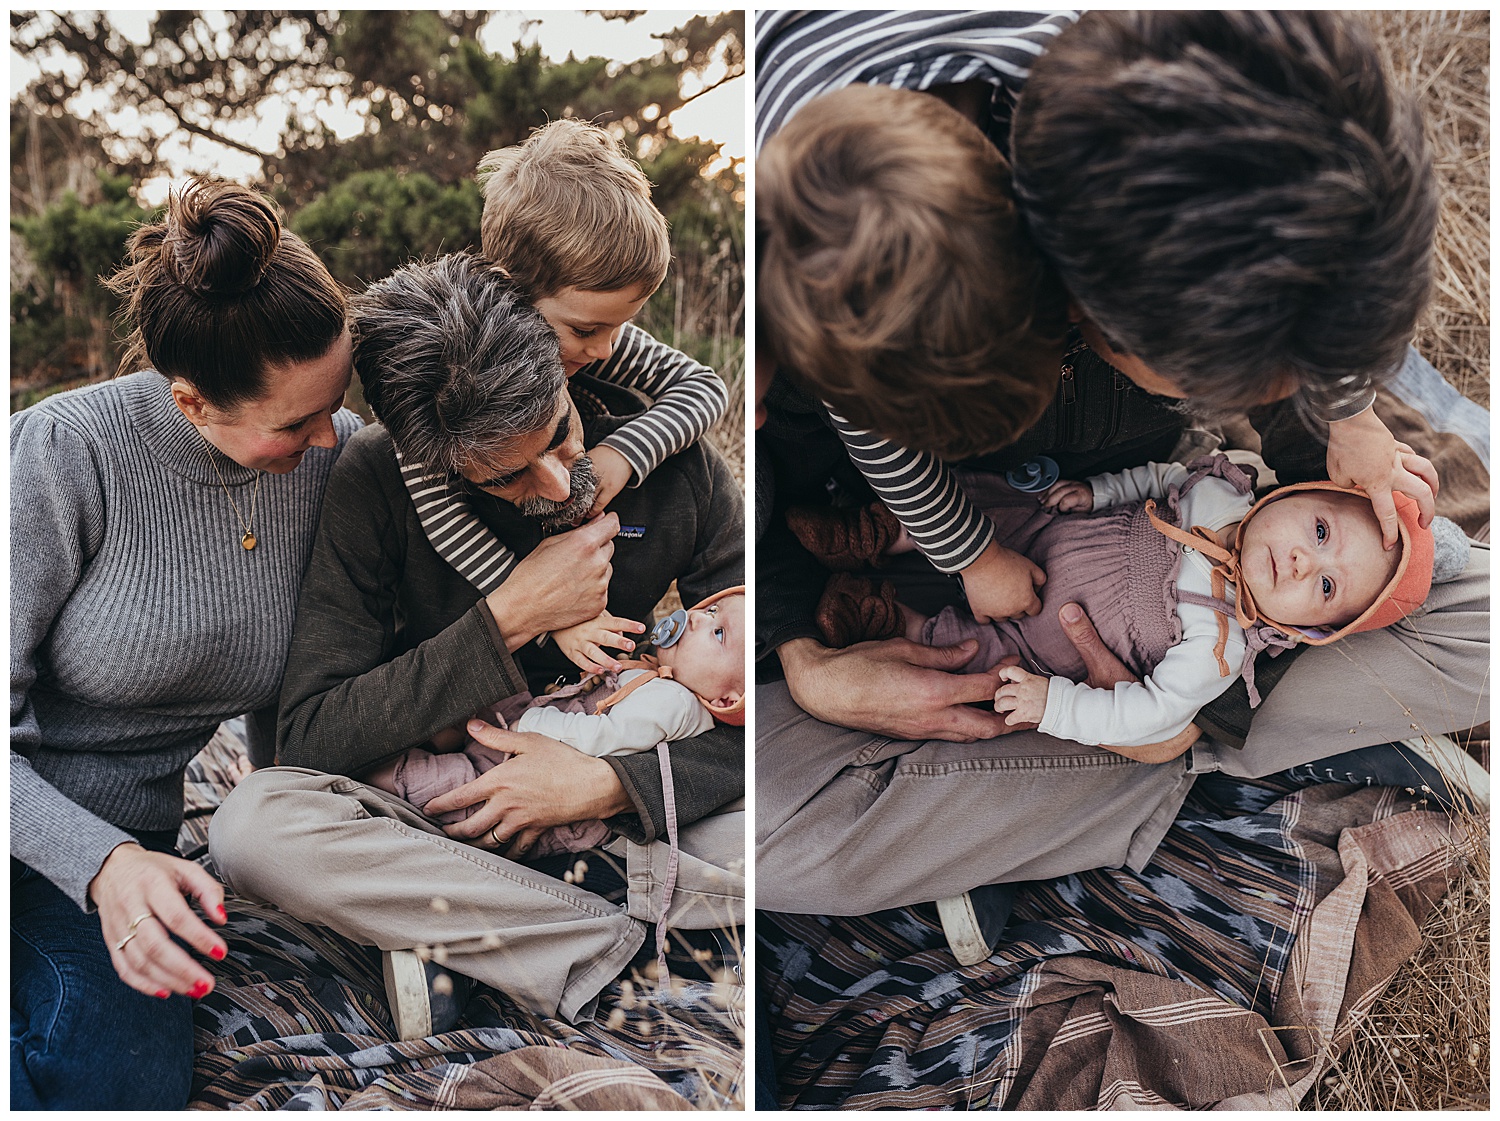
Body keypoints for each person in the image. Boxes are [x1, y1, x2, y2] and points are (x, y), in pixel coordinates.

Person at [752, 10, 1487, 925]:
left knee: (1478, 611)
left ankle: (1187, 741)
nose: (1288, 386)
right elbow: (770, 472)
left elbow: (1312, 278)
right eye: (1258, 374)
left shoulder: (1196, 100)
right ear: (1077, 311)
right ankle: (1186, 755)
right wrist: (807, 657)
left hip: (1170, 606)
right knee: (775, 842)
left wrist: (1350, 413)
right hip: (930, 552)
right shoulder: (843, 256)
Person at [208, 253, 745, 1040]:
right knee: (250, 827)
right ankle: (604, 942)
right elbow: (310, 736)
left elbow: (763, 688)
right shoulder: (375, 481)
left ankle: (481, 931)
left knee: (780, 815)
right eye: (507, 479)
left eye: (561, 436)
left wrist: (607, 784)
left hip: (623, 811)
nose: (561, 487)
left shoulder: (674, 460)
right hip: (437, 812)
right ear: (434, 467)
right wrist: (508, 619)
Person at [11, 178, 360, 1109]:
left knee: (117, 1078)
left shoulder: (332, 459)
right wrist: (104, 864)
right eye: (296, 423)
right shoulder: (63, 454)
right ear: (192, 402)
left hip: (136, 845)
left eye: (339, 400)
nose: (331, 437)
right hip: (42, 825)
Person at [804, 462, 1462, 752]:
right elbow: (1160, 476)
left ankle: (891, 618)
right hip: (1050, 534)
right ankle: (874, 533)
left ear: (1306, 628)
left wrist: (1054, 705)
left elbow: (1152, 715)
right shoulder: (1223, 491)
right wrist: (1098, 491)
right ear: (1300, 491)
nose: (1301, 562)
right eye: (1319, 533)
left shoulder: (1220, 645)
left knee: (980, 657)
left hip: (1046, 640)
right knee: (989, 504)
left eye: (1324, 586)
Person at [397, 118, 729, 656]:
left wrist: (622, 453)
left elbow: (703, 386)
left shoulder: (595, 335)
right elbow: (448, 523)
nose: (604, 349)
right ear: (511, 292)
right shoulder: (442, 384)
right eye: (586, 330)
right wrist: (548, 615)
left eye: (619, 326)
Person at [365, 589, 747, 855]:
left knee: (448, 784)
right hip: (539, 731)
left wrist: (533, 720)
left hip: (540, 781)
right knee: (490, 680)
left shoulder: (674, 702)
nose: (695, 617)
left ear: (725, 700)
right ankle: (438, 733)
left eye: (718, 633)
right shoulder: (662, 675)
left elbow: (601, 739)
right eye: (711, 611)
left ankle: (384, 776)